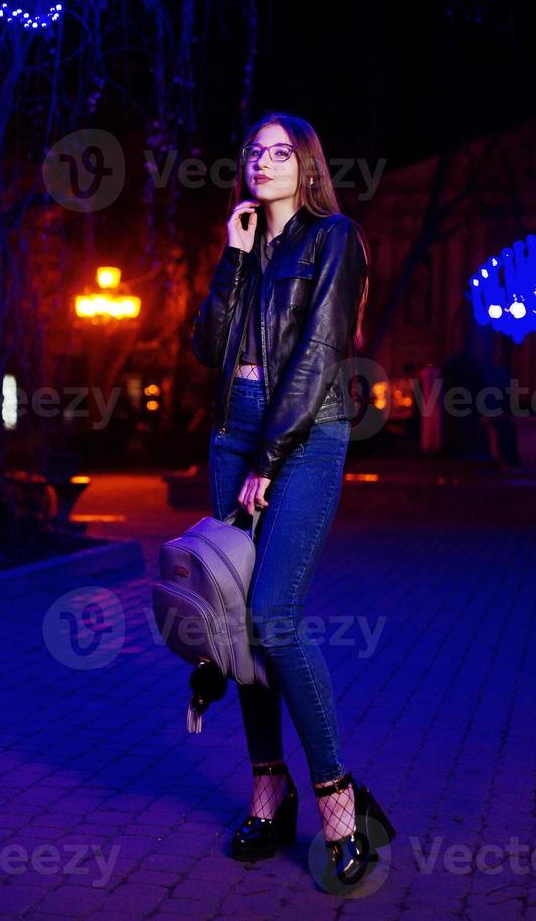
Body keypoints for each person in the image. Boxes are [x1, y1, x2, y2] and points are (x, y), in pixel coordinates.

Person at [190, 112, 392, 890]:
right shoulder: (245, 246)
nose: (264, 161)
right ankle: (267, 795)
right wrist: (230, 262)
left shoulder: (333, 237)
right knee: (237, 627)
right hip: (231, 435)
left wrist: (269, 458)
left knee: (273, 614)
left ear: (306, 167)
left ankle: (341, 806)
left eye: (282, 152)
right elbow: (208, 348)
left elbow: (318, 355)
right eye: (254, 151)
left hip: (304, 437)